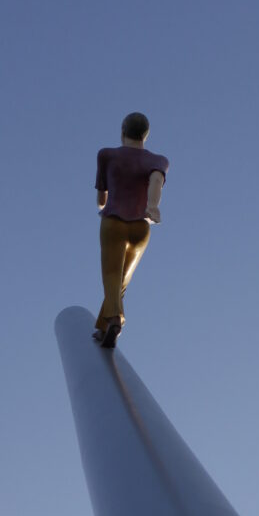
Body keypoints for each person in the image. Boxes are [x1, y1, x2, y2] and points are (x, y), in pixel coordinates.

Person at [92, 111, 169, 348]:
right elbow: (156, 181)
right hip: (140, 227)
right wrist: (152, 206)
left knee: (112, 275)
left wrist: (104, 202)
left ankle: (115, 318)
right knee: (123, 279)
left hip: (113, 221)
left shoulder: (107, 155)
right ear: (146, 136)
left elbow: (101, 200)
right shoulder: (158, 160)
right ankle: (104, 325)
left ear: (122, 132)